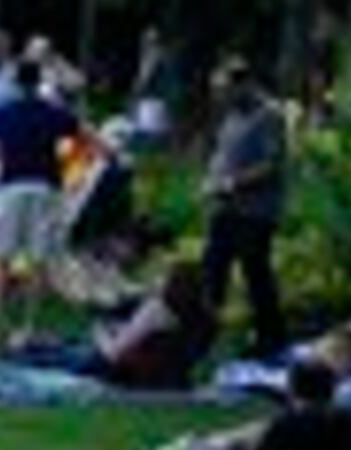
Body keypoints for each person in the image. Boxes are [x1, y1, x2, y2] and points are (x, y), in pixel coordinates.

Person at [0, 62, 79, 341]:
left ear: (15, 83)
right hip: (45, 188)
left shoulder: (3, 112)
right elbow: (76, 134)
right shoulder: (52, 111)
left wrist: (2, 154)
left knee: (0, 258)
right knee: (38, 260)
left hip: (11, 187)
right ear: (38, 82)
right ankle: (29, 326)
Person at [197, 67, 290, 359]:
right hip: (225, 208)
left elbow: (271, 164)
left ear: (244, 85)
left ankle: (271, 337)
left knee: (255, 273)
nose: (219, 97)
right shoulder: (233, 114)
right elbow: (224, 153)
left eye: (224, 90)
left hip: (254, 211)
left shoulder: (269, 115)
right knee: (213, 271)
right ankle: (203, 336)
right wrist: (211, 179)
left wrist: (230, 182)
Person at [90, 261, 217, 392]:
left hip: (123, 376)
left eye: (163, 276)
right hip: (172, 380)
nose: (158, 279)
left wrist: (98, 332)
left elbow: (112, 354)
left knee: (70, 353)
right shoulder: (203, 318)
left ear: (171, 284)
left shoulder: (156, 309)